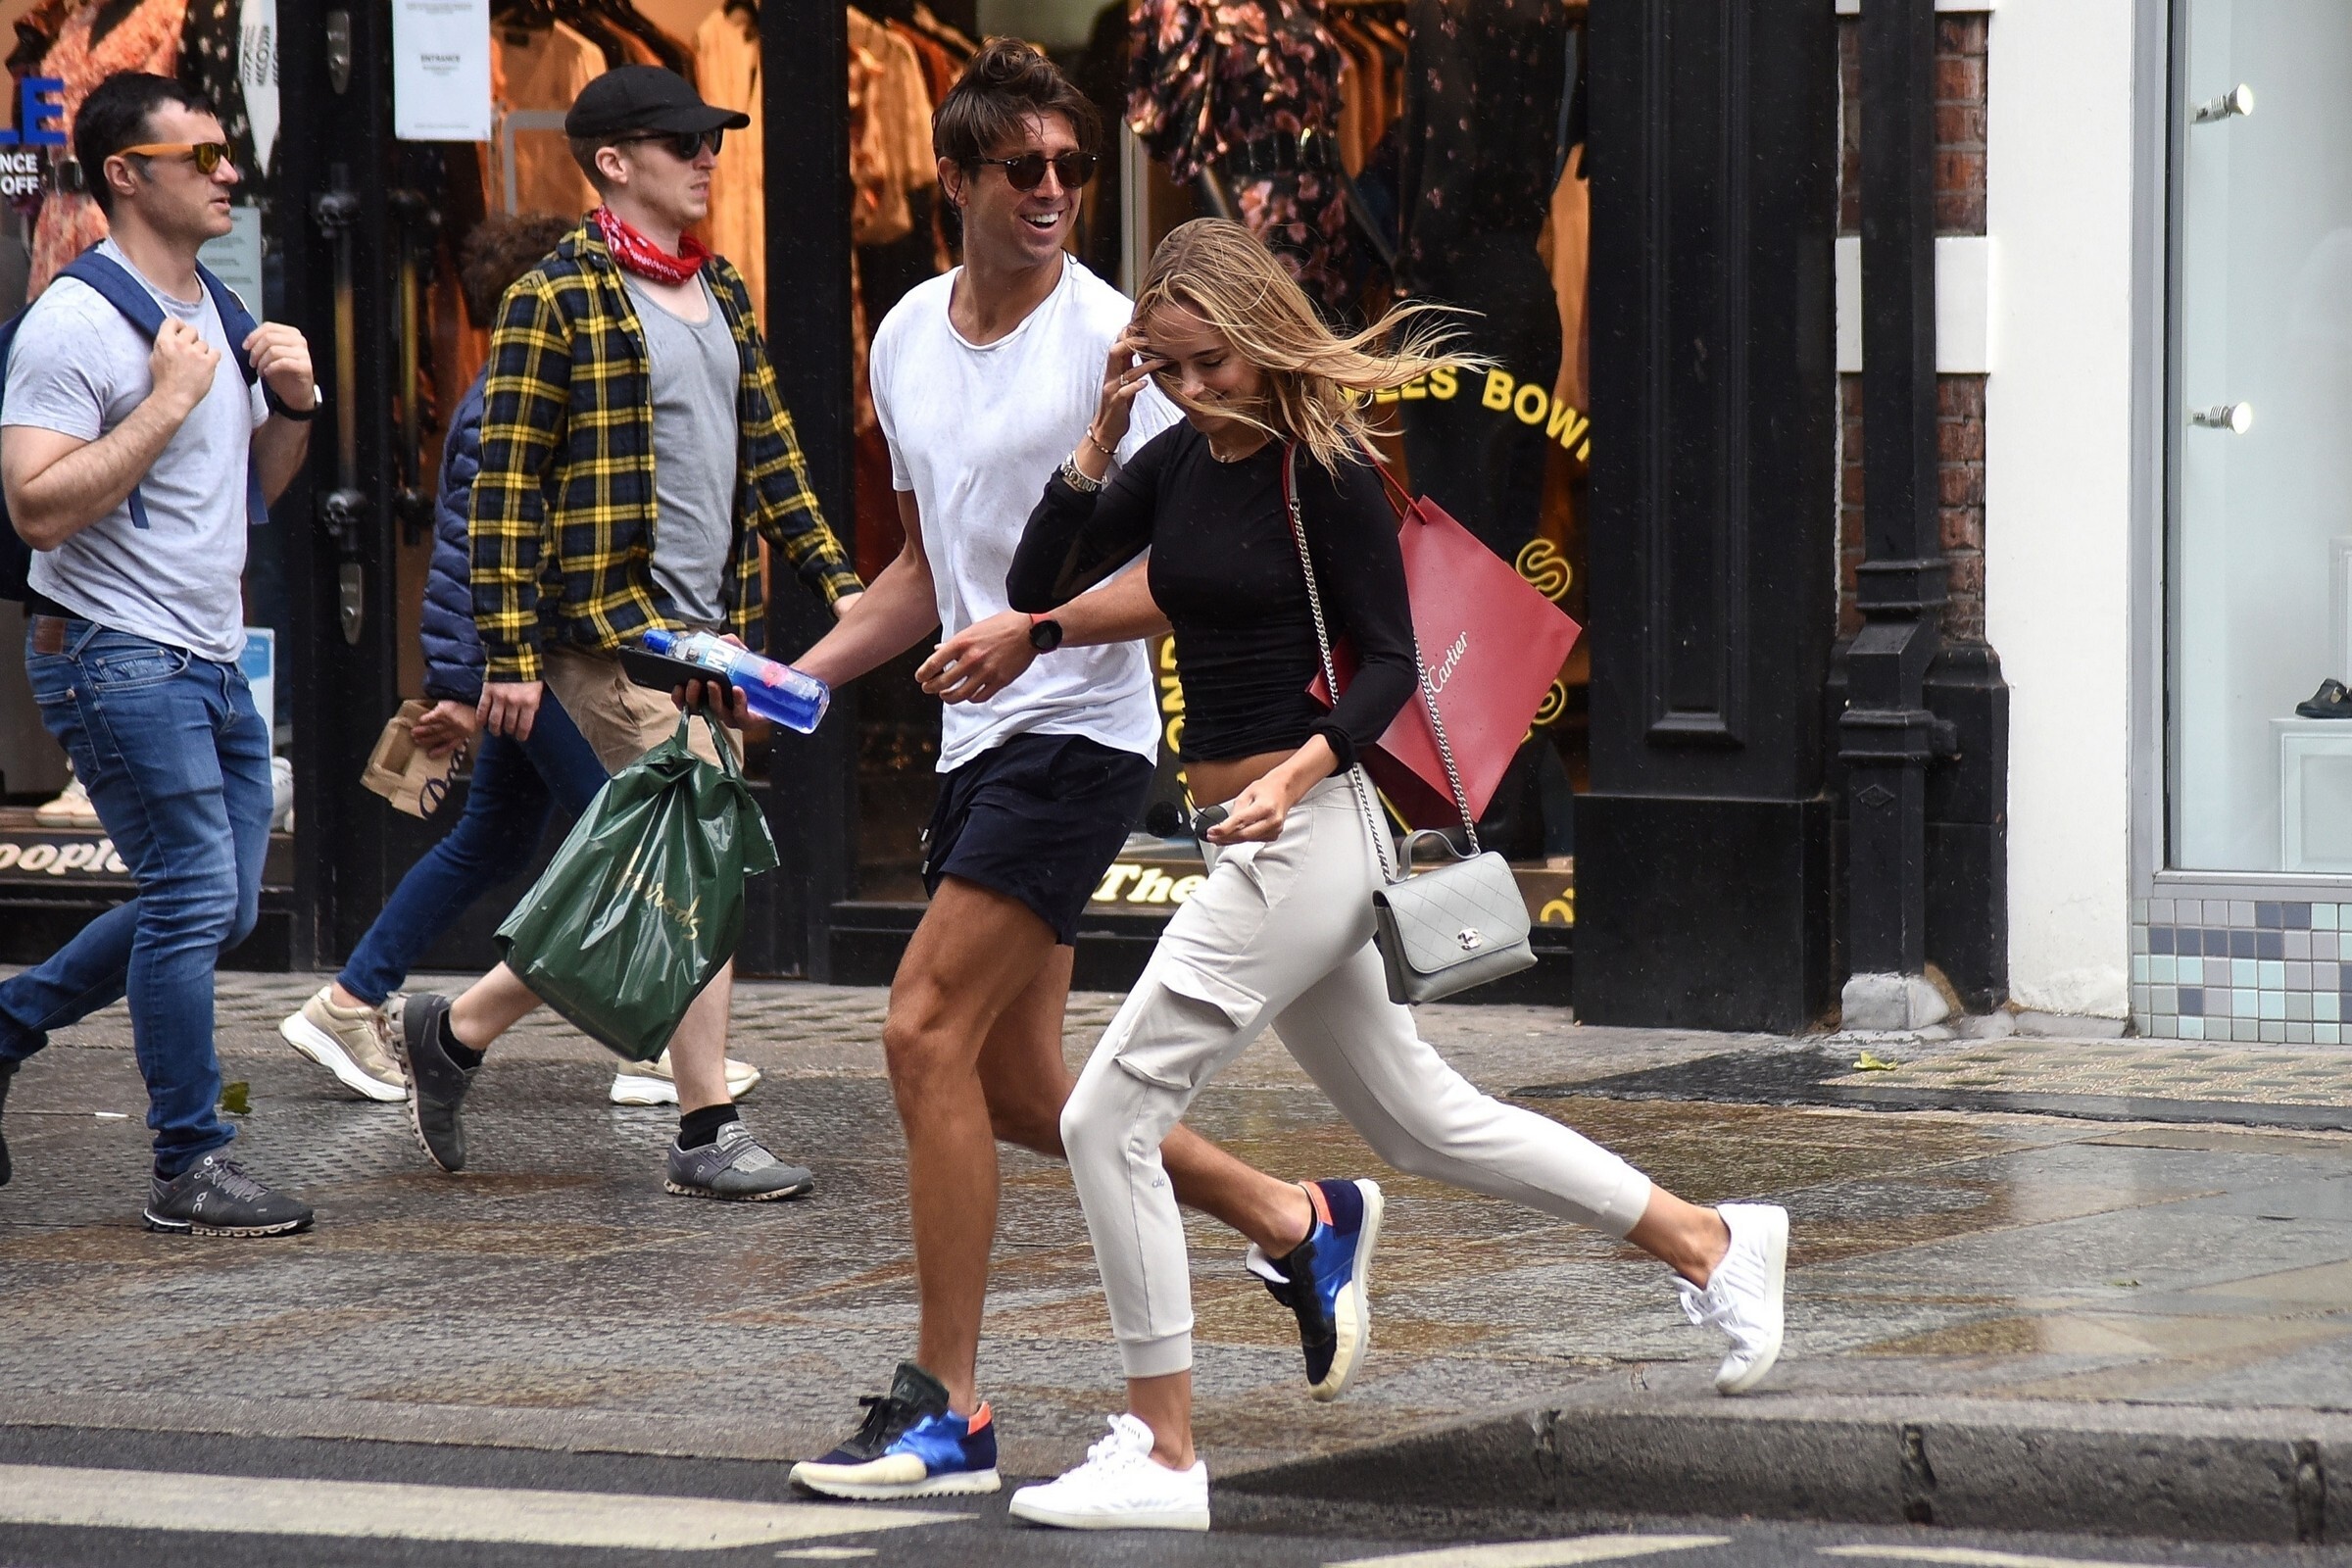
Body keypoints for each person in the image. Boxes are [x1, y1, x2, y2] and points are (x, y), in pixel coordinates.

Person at [1001, 219, 1791, 1532]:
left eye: (1210, 365)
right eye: (1169, 367)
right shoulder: (1177, 456)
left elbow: (1390, 665)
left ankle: (1163, 1447)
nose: (1194, 391)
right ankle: (1709, 1241)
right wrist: (1099, 438)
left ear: (1260, 340)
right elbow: (1038, 581)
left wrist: (1297, 774)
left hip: (1305, 836)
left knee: (1105, 1118)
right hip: (1260, 840)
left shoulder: (1323, 470)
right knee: (1425, 1121)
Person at [763, 42, 1374, 1503]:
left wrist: (1035, 634)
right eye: (1022, 168)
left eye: (1071, 168)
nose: (1052, 191)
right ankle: (1299, 1221)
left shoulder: (1122, 343)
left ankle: (949, 1408)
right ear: (955, 180)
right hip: (977, 737)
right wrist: (793, 681)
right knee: (1023, 1086)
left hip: (1081, 735)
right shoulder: (902, 337)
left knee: (919, 1030)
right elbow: (928, 572)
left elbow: (1186, 564)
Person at [394, 66, 860, 1200]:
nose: (707, 158)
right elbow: (504, 488)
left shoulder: (723, 290)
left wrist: (845, 589)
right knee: (696, 858)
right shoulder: (554, 299)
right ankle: (706, 1126)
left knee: (664, 866)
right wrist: (508, 656)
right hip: (603, 639)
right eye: (682, 141)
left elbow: (776, 461)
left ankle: (455, 1031)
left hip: (706, 641)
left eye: (712, 140)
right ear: (613, 161)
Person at [276, 213, 761, 1113]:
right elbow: (475, 548)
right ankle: (645, 1049)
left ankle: (348, 1003)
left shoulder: (523, 392)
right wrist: (467, 684)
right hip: (532, 673)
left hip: (527, 669)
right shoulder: (509, 398)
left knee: (493, 842)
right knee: (642, 850)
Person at [0, 72, 318, 1234]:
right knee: (192, 892)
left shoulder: (216, 308)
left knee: (223, 908)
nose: (230, 172)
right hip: (114, 653)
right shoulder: (75, 322)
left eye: (228, 151)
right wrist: (170, 400)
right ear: (127, 175)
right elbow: (36, 504)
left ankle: (9, 1024)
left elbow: (255, 492)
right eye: (204, 156)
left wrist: (292, 405)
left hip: (210, 657)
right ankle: (190, 1158)